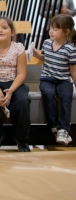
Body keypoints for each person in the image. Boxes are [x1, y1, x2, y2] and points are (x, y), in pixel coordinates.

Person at [0, 17, 31, 153]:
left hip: (14, 82)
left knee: (22, 100)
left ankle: (21, 139)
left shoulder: (19, 49)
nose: (0, 30)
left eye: (4, 27)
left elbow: (21, 74)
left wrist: (11, 91)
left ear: (12, 32)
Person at [34, 14, 76, 145]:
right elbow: (45, 59)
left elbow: (73, 70)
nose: (51, 31)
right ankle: (53, 126)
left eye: (56, 29)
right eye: (51, 28)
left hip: (63, 80)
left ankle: (63, 129)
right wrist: (36, 54)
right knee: (48, 93)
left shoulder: (70, 48)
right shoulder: (47, 43)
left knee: (66, 96)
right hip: (47, 78)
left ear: (66, 31)